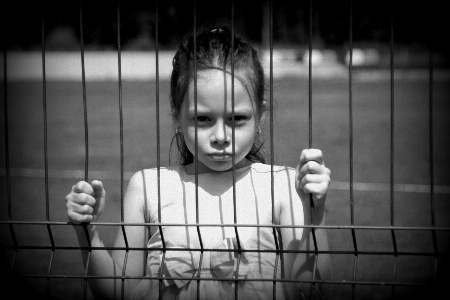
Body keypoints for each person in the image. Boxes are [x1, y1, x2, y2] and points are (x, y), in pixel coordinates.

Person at [66, 25, 331, 300]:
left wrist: (315, 214)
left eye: (237, 119)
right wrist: (88, 232)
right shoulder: (149, 188)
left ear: (260, 114)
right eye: (203, 119)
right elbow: (116, 291)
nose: (220, 136)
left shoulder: (283, 188)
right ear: (177, 114)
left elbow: (310, 292)